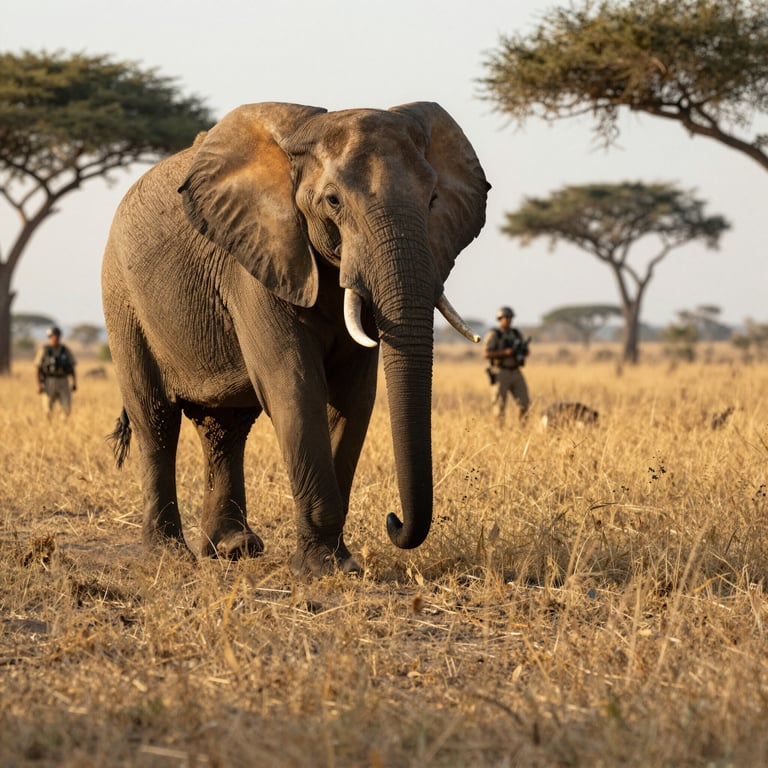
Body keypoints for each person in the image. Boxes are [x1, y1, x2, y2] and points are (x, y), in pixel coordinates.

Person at [483, 306, 530, 423]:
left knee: (524, 403)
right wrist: (505, 352)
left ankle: (522, 429)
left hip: (515, 371)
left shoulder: (516, 333)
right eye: (506, 317)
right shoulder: (494, 334)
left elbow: (525, 352)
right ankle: (499, 433)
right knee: (499, 406)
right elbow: (486, 354)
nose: (508, 320)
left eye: (510, 317)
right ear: (500, 319)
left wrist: (523, 351)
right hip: (500, 372)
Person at [35, 326, 77, 418]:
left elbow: (72, 367)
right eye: (53, 336)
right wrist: (38, 384)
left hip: (63, 381)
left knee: (66, 408)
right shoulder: (45, 350)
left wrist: (74, 382)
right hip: (49, 380)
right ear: (50, 337)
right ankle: (49, 427)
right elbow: (38, 367)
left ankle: (63, 425)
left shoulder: (65, 350)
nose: (56, 338)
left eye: (57, 336)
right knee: (47, 409)